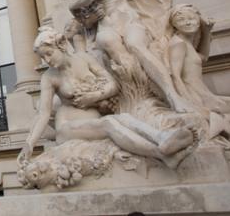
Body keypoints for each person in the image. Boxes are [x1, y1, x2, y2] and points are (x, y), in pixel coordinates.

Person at [18, 27, 194, 169]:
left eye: (49, 53)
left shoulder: (84, 59)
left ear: (61, 45)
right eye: (43, 57)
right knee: (109, 123)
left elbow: (113, 84)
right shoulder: (49, 77)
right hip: (67, 128)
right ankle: (161, 153)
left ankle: (162, 136)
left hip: (94, 121)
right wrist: (29, 144)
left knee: (122, 118)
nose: (47, 60)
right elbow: (43, 114)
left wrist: (93, 96)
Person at [61, 0, 192, 113]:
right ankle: (134, 96)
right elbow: (87, 23)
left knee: (135, 45)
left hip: (127, 21)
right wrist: (93, 17)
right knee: (105, 42)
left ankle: (172, 95)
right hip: (107, 27)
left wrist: (72, 7)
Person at [168, 4, 230, 130]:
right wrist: (187, 101)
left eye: (191, 18)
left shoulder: (187, 44)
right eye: (181, 20)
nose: (188, 23)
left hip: (205, 95)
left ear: (199, 21)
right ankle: (226, 134)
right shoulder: (178, 43)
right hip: (198, 97)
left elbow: (203, 57)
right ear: (173, 24)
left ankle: (226, 133)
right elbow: (174, 75)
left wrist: (206, 31)